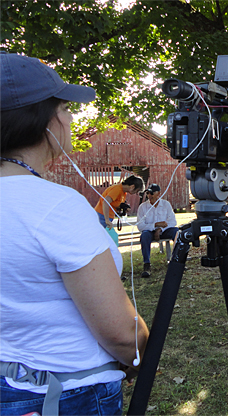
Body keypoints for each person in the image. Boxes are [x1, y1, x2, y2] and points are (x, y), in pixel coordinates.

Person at [0, 53, 149, 416]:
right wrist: (139, 348)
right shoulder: (56, 206)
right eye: (65, 109)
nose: (70, 119)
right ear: (45, 121)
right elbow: (120, 334)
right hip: (67, 395)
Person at [136, 183, 179, 278]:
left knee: (177, 232)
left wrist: (160, 229)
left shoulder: (165, 204)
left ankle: (176, 260)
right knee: (144, 236)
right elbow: (140, 226)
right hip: (149, 231)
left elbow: (172, 221)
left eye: (152, 193)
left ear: (158, 193)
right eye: (148, 193)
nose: (149, 196)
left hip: (164, 230)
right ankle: (147, 264)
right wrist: (155, 225)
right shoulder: (143, 207)